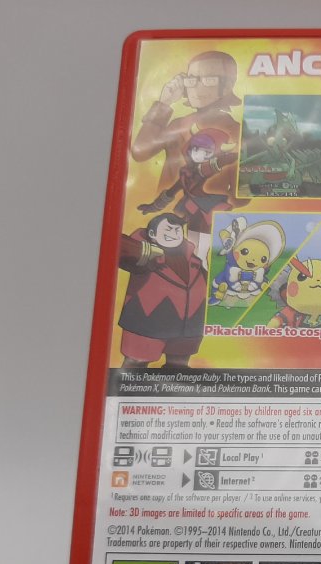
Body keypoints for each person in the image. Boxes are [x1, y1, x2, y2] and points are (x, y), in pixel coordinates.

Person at [130, 51, 242, 204]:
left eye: (208, 79)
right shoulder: (178, 125)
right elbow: (140, 152)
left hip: (209, 215)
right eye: (191, 79)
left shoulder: (238, 133)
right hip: (166, 212)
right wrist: (164, 102)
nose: (195, 87)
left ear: (228, 85)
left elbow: (240, 196)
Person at [117, 213, 207, 368]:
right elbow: (116, 246)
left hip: (187, 328)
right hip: (147, 324)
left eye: (177, 230)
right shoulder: (142, 254)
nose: (174, 234)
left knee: (178, 369)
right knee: (134, 368)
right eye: (168, 229)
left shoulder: (195, 259)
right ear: (152, 234)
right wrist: (143, 250)